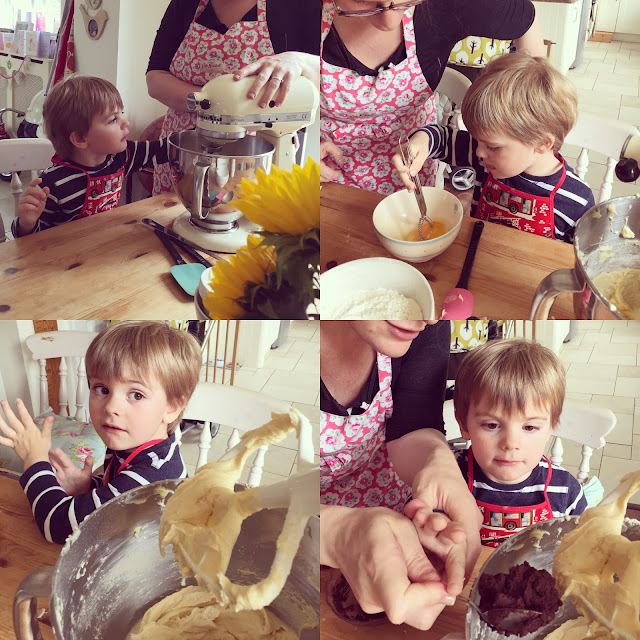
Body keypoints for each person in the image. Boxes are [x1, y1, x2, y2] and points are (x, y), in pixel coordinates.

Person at [320, 320, 482, 630]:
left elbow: (413, 424)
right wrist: (334, 532)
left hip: (398, 535)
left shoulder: (425, 316)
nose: (433, 317)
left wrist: (437, 461)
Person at [0, 321, 201, 545]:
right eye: (102, 389)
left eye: (136, 395)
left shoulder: (152, 480)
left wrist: (34, 461)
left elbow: (56, 525)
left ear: (172, 407)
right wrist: (90, 487)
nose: (110, 407)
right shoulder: (136, 445)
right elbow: (117, 492)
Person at [319, 0, 544, 194]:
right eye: (363, 2)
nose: (389, 21)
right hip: (320, 179)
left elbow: (525, 20)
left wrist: (530, 120)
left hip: (412, 175)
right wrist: (292, 150)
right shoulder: (291, 9)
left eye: (404, 2)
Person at [394, 54, 595, 242]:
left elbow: (579, 263)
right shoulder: (486, 158)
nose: (479, 152)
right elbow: (441, 138)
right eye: (478, 141)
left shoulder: (576, 201)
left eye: (492, 146)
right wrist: (420, 142)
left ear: (542, 143)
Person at [146, 0, 321, 195]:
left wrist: (300, 60)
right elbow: (155, 79)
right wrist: (215, 103)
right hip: (182, 155)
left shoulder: (300, 6)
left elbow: (323, 77)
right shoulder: (185, 3)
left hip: (259, 156)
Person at [440, 338, 587, 548]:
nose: (510, 444)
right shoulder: (448, 478)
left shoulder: (565, 491)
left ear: (551, 427)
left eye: (529, 427)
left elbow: (581, 548)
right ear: (463, 424)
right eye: (491, 425)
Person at [12, 75, 170, 237]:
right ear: (81, 138)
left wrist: (194, 134)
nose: (125, 122)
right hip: (64, 255)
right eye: (113, 119)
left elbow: (163, 150)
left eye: (121, 113)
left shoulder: (121, 156)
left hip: (101, 246)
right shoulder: (52, 184)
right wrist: (27, 223)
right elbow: (29, 241)